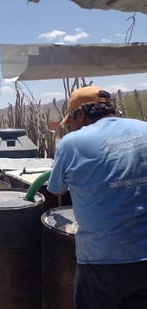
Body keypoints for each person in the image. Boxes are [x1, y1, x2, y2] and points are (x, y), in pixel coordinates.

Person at [47, 85, 147, 309]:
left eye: (71, 121)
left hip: (102, 261)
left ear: (80, 114)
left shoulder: (72, 143)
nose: (71, 127)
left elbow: (56, 189)